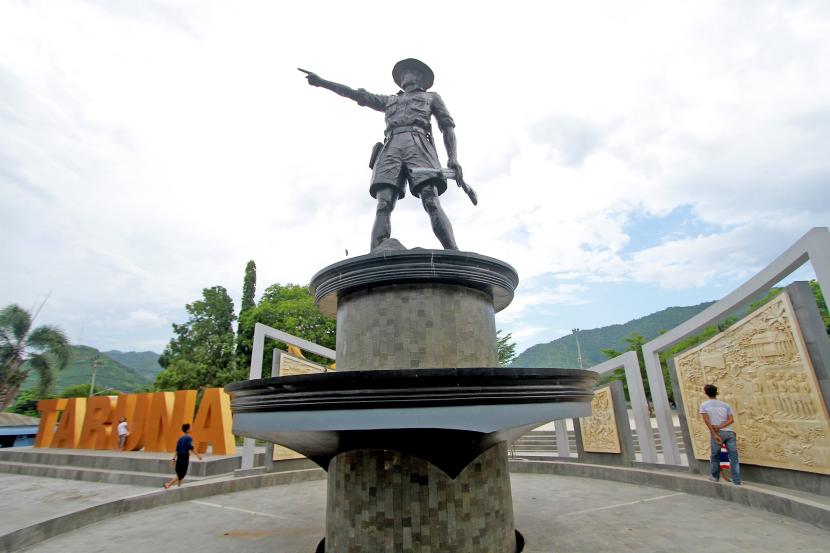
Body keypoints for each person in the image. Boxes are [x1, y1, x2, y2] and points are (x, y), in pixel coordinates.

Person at [301, 59, 470, 251]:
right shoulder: (390, 100)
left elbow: (447, 127)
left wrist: (453, 157)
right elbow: (353, 94)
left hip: (419, 145)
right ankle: (376, 251)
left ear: (420, 77)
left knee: (430, 198)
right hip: (391, 149)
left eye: (410, 71)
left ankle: (452, 251)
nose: (405, 75)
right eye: (403, 73)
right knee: (384, 203)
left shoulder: (432, 98)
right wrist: (322, 82)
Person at [699, 384, 741, 485]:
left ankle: (715, 476)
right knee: (734, 456)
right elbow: (731, 420)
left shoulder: (704, 405)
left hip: (717, 433)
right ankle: (737, 480)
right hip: (729, 433)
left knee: (715, 456)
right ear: (716, 392)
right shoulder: (725, 405)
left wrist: (715, 433)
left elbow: (707, 421)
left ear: (706, 393)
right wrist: (721, 426)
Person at [164, 423, 202, 489]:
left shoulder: (180, 438)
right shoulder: (189, 438)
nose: (191, 429)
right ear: (187, 430)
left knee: (181, 472)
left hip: (179, 457)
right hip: (184, 457)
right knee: (182, 474)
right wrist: (198, 456)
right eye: (190, 428)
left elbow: (177, 450)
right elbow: (192, 448)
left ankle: (179, 486)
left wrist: (173, 459)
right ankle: (168, 484)